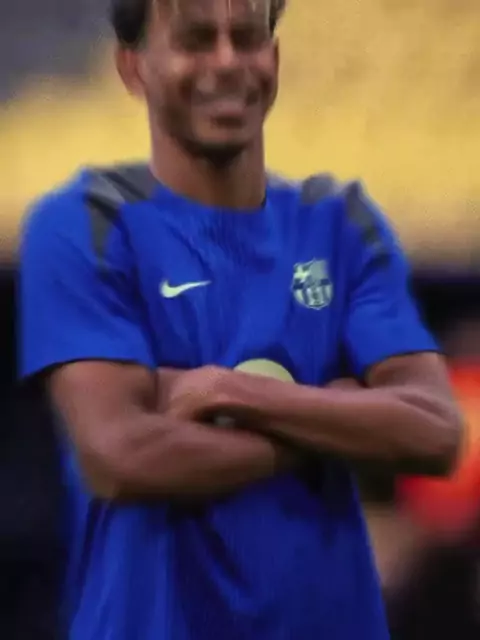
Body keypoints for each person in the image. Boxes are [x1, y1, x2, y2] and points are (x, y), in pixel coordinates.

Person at [19, 0, 463, 638]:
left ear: (273, 60)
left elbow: (434, 432)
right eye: (197, 39)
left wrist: (229, 392)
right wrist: (337, 416)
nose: (228, 61)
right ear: (132, 67)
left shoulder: (342, 224)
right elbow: (120, 457)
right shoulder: (83, 225)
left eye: (248, 38)